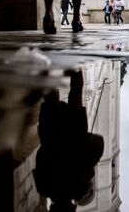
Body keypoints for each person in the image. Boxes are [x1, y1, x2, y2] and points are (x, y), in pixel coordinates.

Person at [33, 70, 104, 212]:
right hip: (50, 136)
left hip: (74, 135)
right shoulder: (44, 188)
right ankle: (44, 65)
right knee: (51, 97)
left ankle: (75, 65)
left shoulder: (79, 188)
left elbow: (91, 161)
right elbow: (40, 158)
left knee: (76, 90)